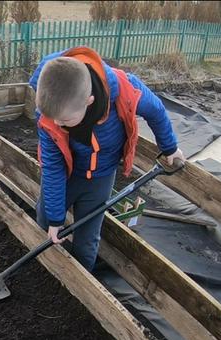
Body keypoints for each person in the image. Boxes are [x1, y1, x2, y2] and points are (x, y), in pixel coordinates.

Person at [29, 46, 184, 272]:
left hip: (101, 175)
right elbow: (52, 168)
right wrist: (54, 220)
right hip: (68, 170)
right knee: (45, 219)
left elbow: (156, 111)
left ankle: (83, 286)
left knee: (87, 238)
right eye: (53, 119)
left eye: (64, 120)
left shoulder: (124, 89)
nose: (58, 125)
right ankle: (46, 268)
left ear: (89, 102)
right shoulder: (51, 114)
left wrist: (170, 148)